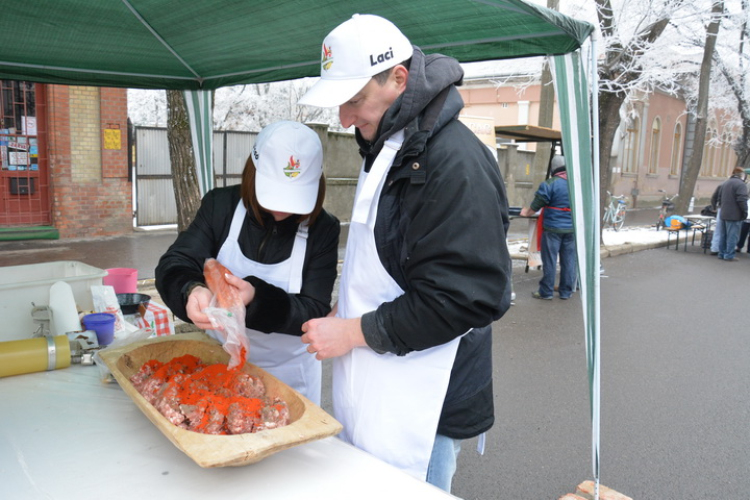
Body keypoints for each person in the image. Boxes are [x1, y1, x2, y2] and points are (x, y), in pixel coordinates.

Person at [297, 14, 512, 493]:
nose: (345, 119)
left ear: (398, 78)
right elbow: (395, 255)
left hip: (425, 401)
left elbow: (465, 296)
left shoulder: (452, 160)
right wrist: (348, 304)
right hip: (380, 385)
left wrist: (354, 331)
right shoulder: (393, 144)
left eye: (354, 100)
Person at [155, 121, 340, 405]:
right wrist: (190, 290)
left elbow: (314, 310)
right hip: (220, 365)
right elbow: (177, 262)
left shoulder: (322, 229)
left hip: (290, 378)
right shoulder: (221, 206)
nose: (282, 210)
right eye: (274, 194)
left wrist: (255, 298)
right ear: (252, 173)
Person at [520, 156, 576, 300]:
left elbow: (538, 202)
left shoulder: (550, 184)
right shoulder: (575, 184)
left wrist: (526, 212)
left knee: (550, 261)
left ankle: (546, 292)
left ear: (554, 168)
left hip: (552, 229)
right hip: (571, 230)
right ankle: (565, 292)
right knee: (568, 261)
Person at [716, 166, 749, 261]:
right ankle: (729, 254)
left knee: (723, 235)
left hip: (724, 212)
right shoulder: (740, 185)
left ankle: (721, 253)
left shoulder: (725, 183)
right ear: (741, 175)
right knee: (732, 236)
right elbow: (742, 200)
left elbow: (719, 197)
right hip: (735, 214)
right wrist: (745, 212)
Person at [709, 183, 723, 255]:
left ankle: (714, 248)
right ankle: (723, 249)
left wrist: (714, 207)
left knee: (718, 229)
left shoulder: (722, 185)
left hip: (720, 208)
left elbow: (714, 197)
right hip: (730, 210)